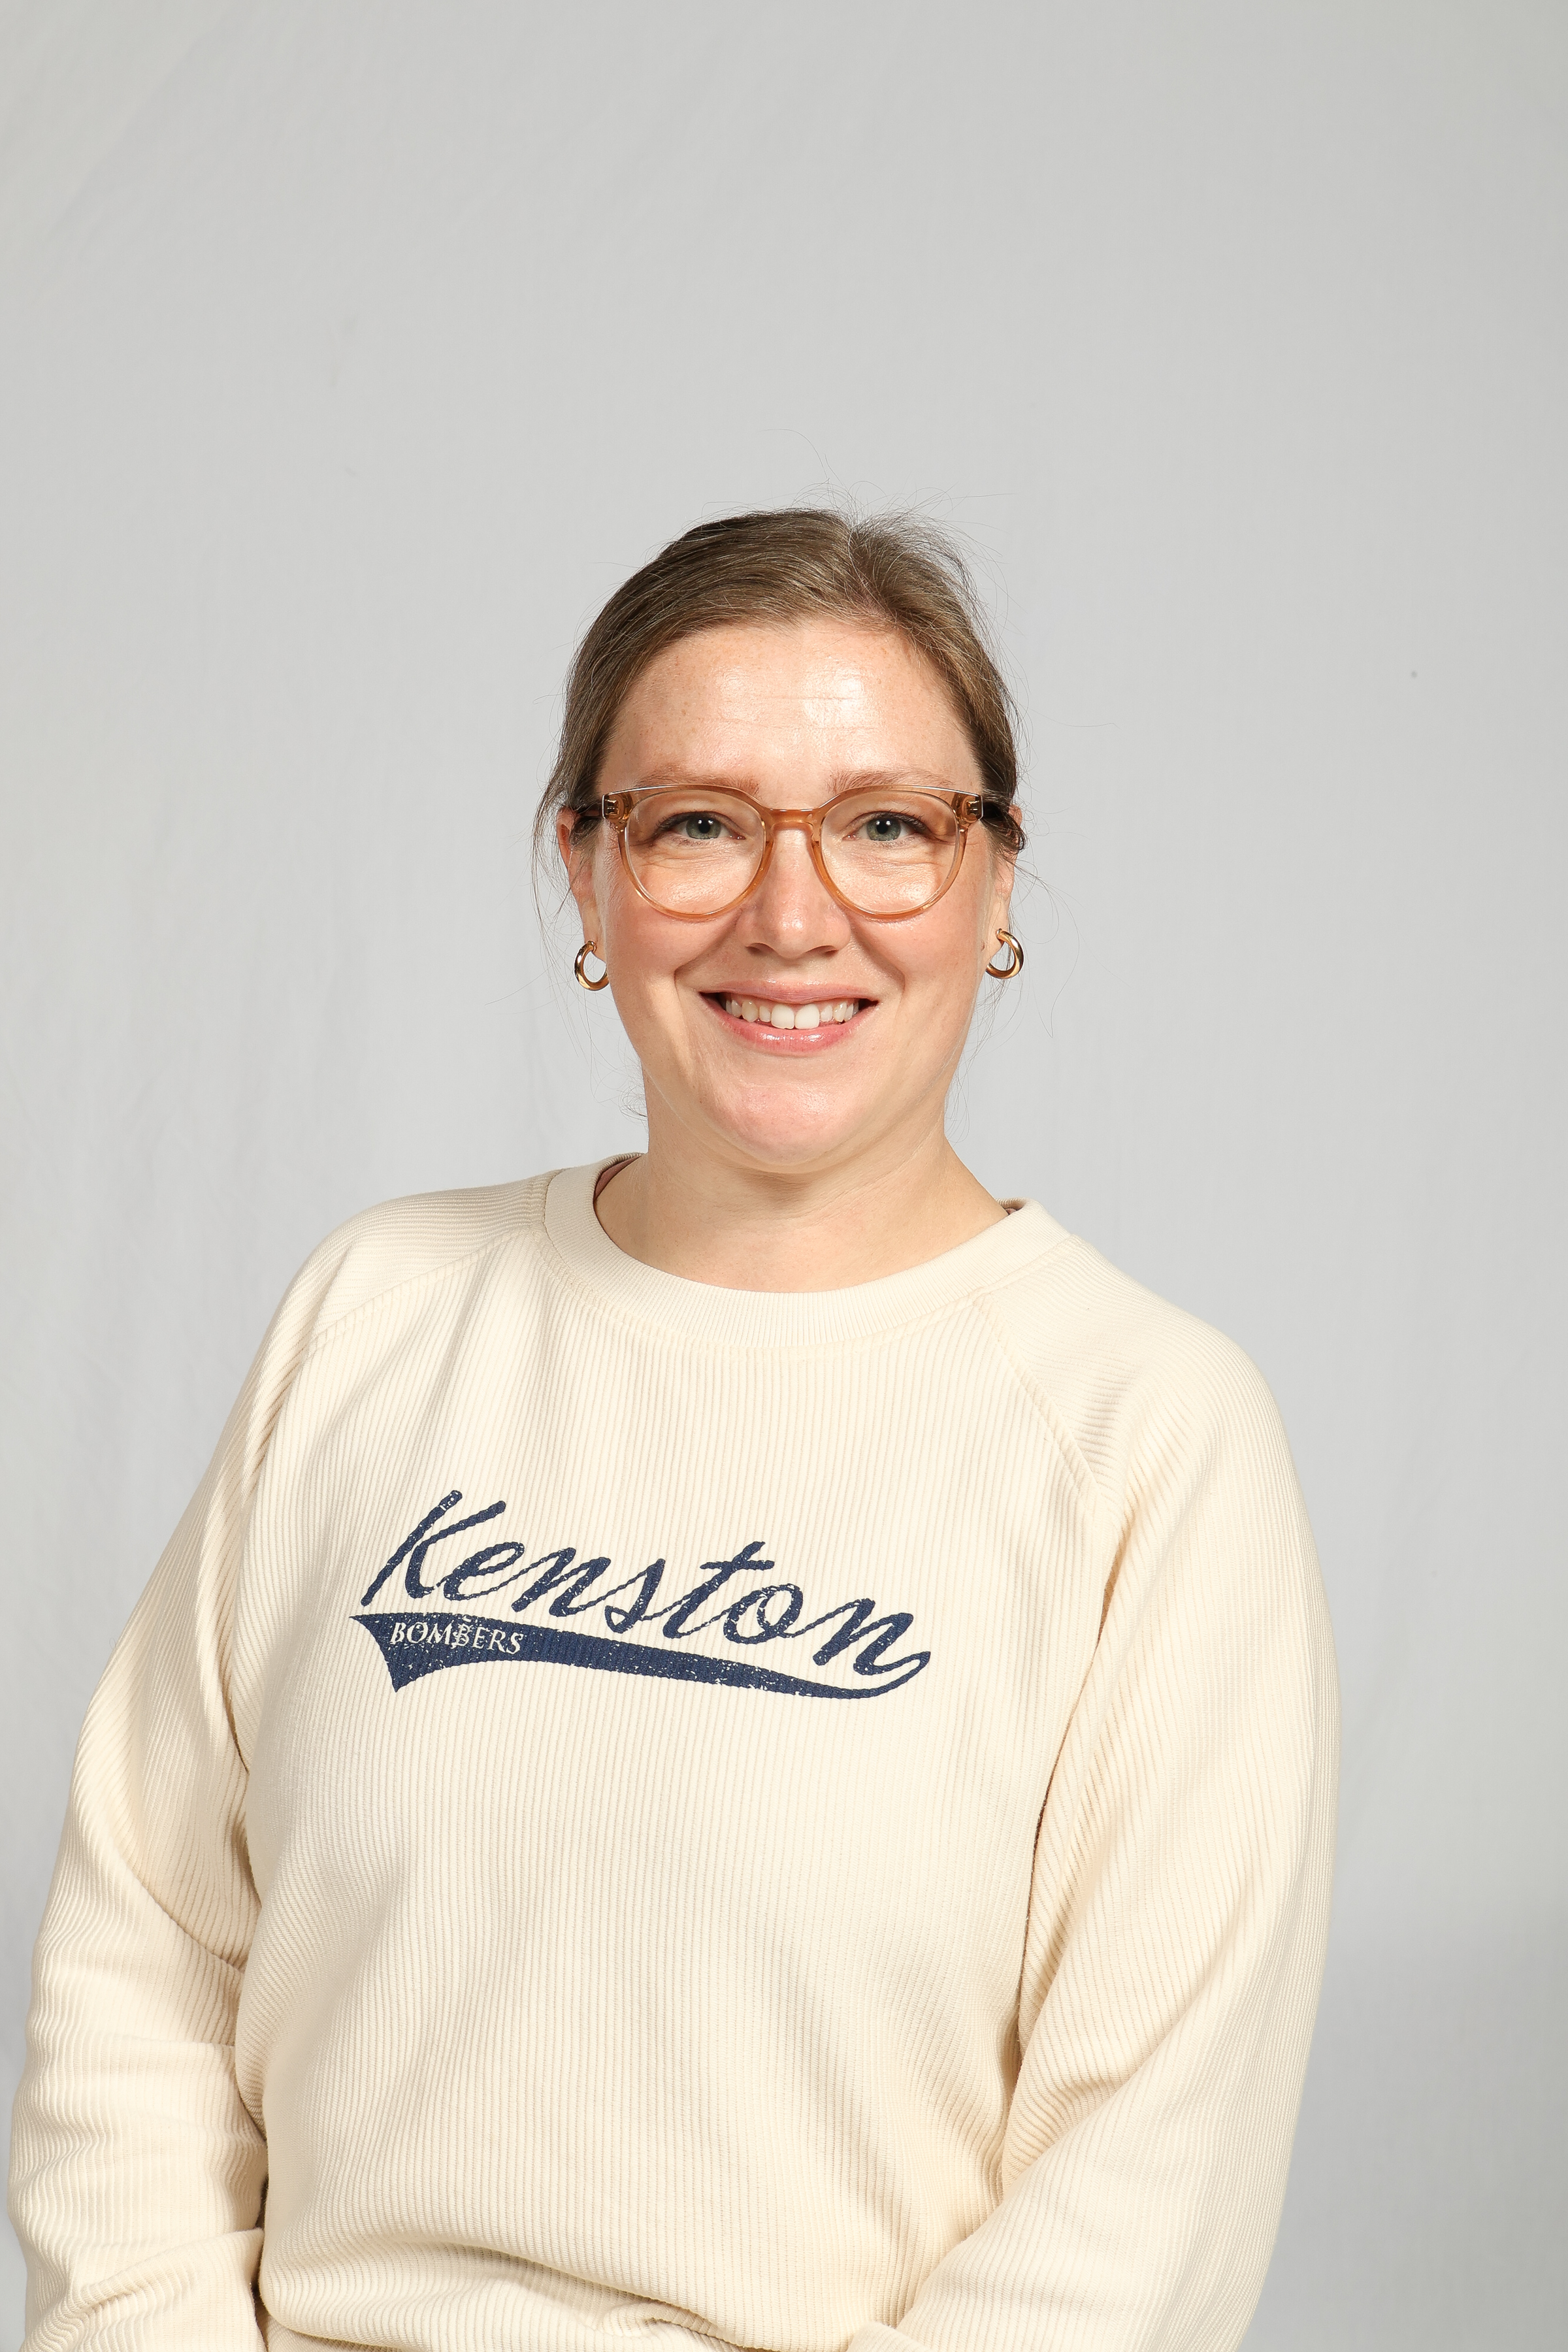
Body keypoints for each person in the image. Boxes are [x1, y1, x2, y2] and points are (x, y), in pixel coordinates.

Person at [9, 508, 1339, 2352]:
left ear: (996, 882)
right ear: (586, 870)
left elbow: (1140, 2204)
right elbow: (143, 1952)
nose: (792, 916)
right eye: (699, 823)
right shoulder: (374, 1315)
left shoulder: (1150, 1439)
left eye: (888, 826)